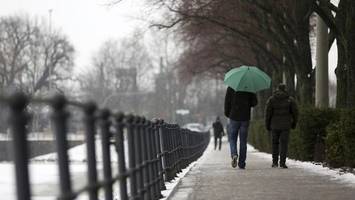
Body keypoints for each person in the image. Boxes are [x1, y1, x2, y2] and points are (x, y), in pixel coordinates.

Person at [265, 83, 298, 169]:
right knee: (284, 144)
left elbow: (268, 113)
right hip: (286, 125)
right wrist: (294, 123)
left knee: (275, 143)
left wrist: (267, 125)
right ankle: (283, 162)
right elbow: (295, 113)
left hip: (274, 125)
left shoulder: (272, 100)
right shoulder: (290, 100)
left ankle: (274, 162)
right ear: (285, 89)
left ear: (277, 89)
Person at [224, 87, 258, 169]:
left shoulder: (231, 87)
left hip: (234, 116)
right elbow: (255, 102)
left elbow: (227, 102)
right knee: (243, 141)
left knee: (232, 139)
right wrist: (248, 102)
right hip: (245, 117)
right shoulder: (249, 87)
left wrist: (228, 114)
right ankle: (242, 163)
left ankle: (234, 154)